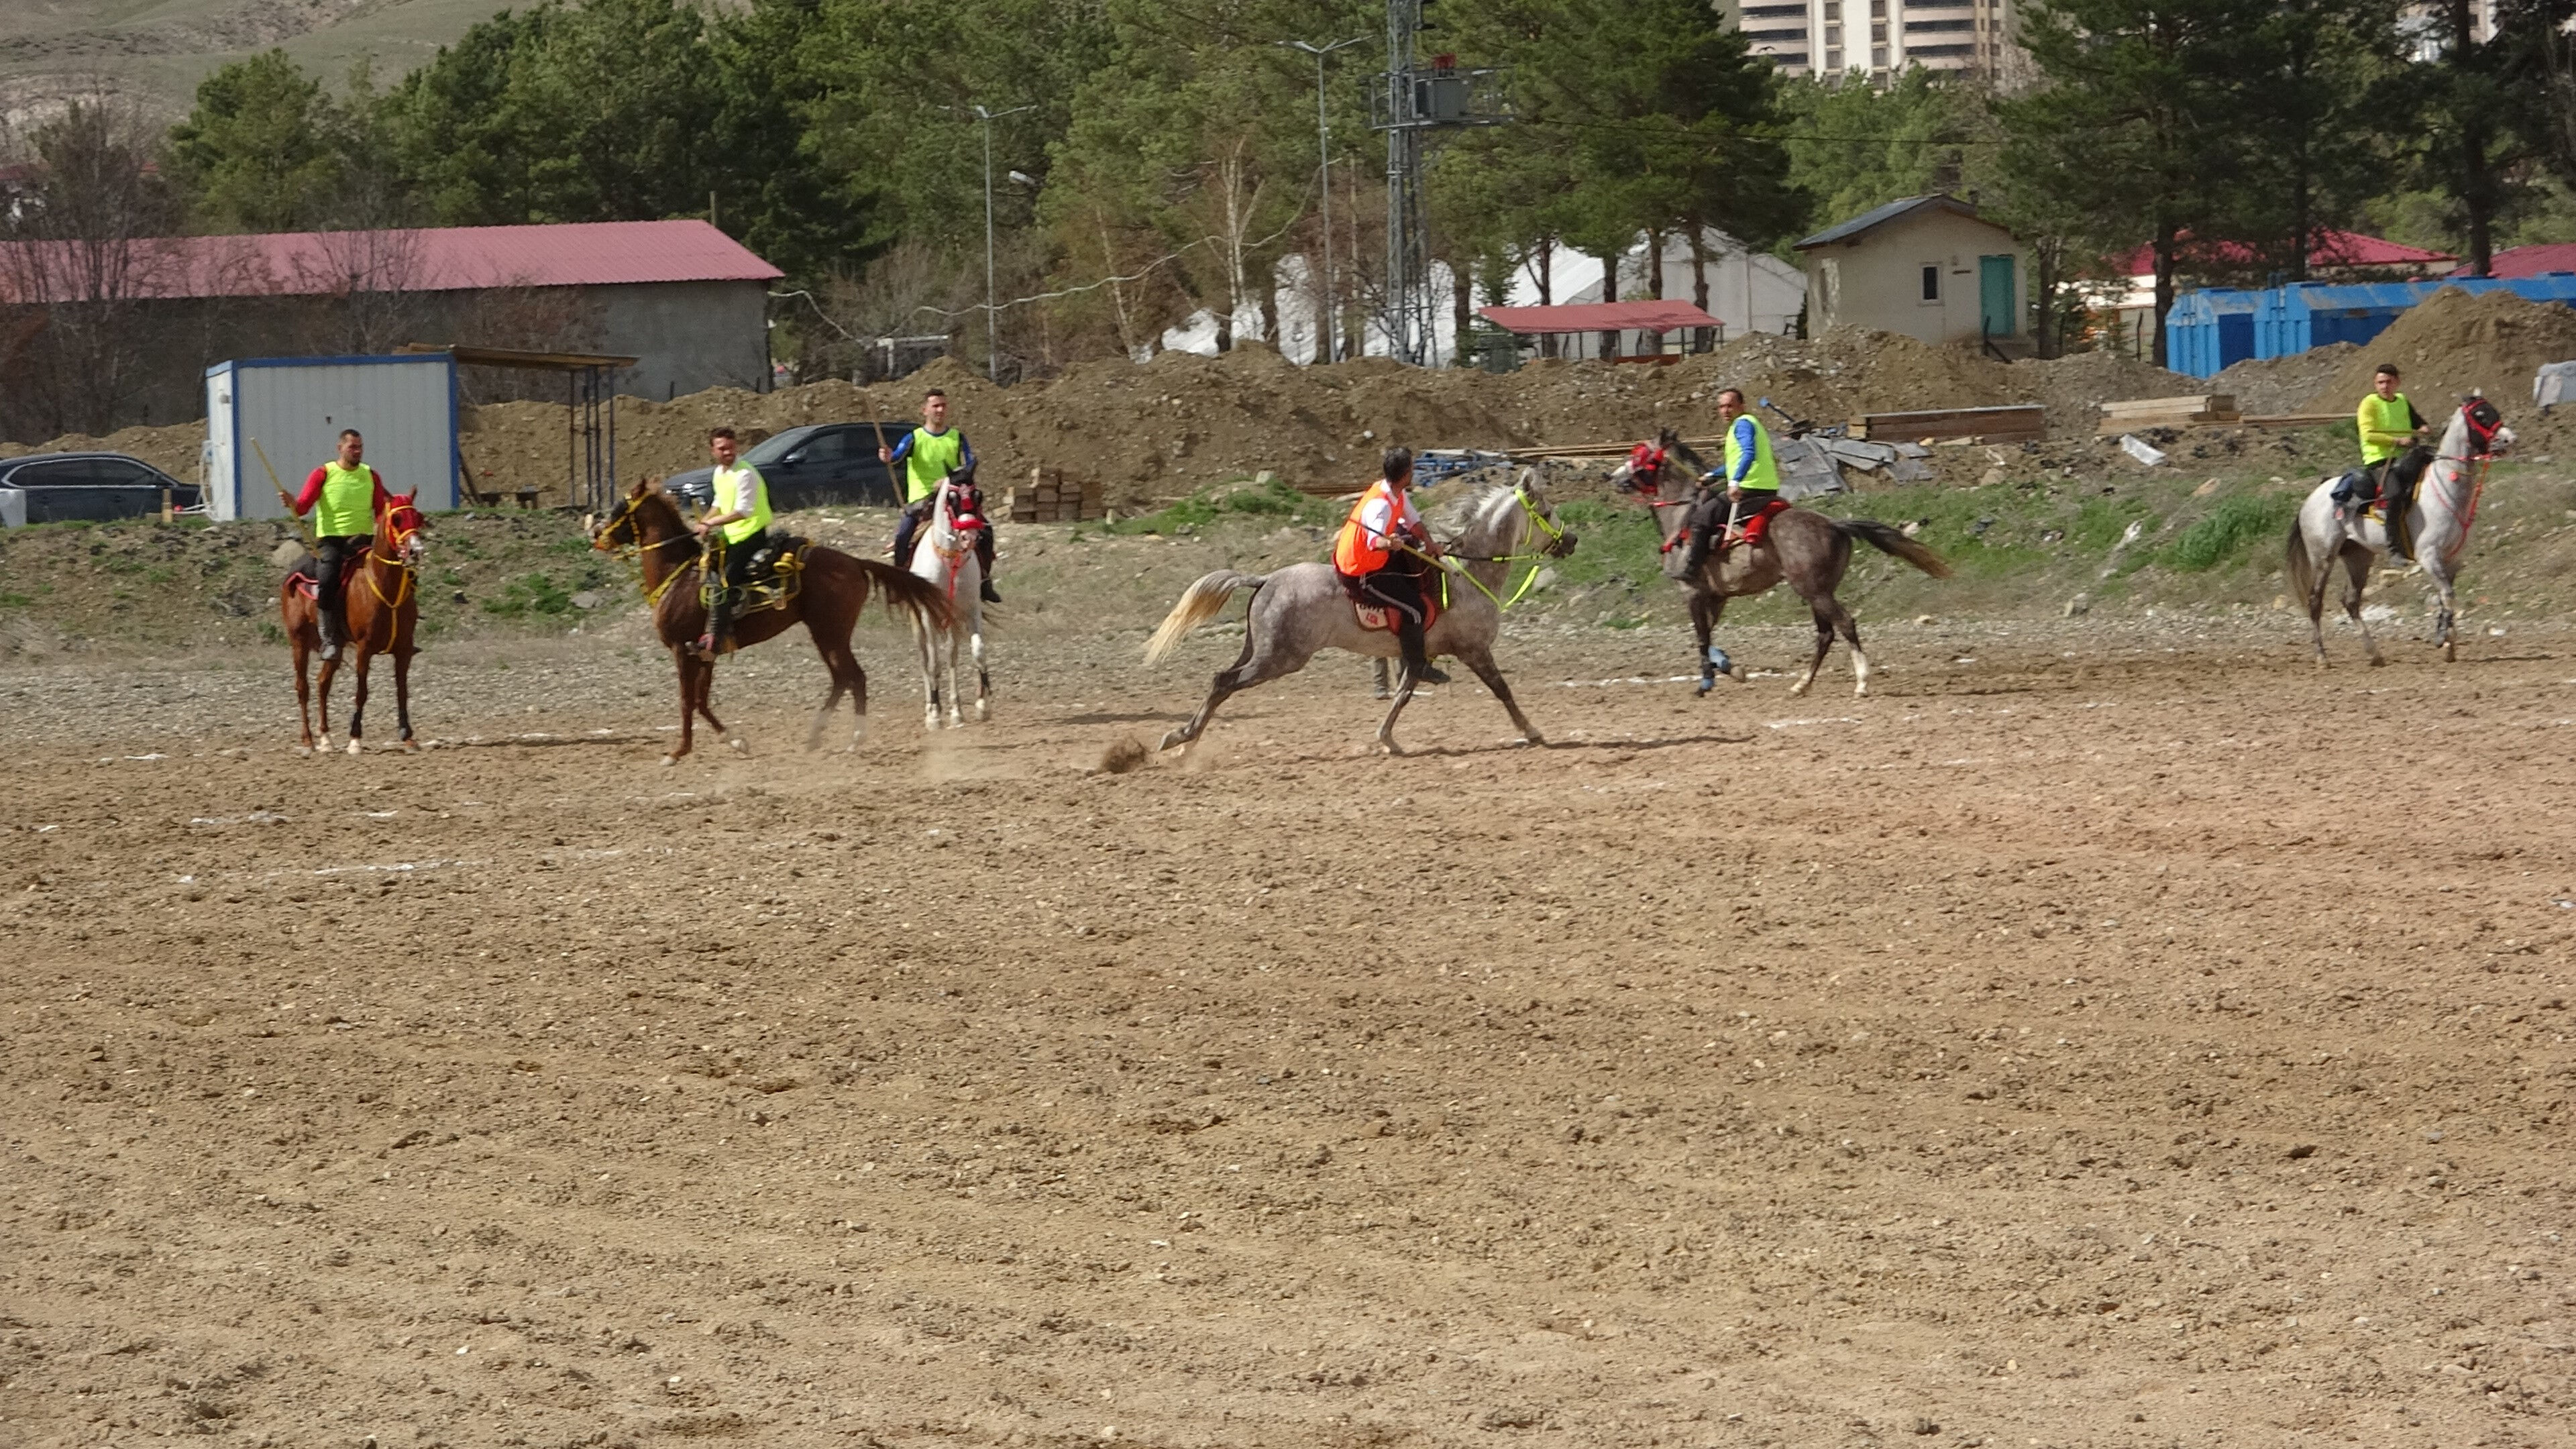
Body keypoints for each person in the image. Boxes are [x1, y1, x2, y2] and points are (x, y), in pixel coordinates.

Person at [1334, 445, 1449, 687]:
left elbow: (1413, 521)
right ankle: (1418, 665)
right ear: (1406, 475)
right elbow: (1374, 542)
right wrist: (1391, 542)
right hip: (1361, 569)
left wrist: (1429, 543)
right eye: (1412, 468)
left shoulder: (1395, 493)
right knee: (1415, 608)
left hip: (1376, 558)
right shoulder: (1381, 505)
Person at [882, 388, 1000, 602]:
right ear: (924, 410)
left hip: (952, 498)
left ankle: (984, 581)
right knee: (903, 536)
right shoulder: (914, 438)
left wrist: (951, 481)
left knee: (987, 531)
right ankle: (900, 585)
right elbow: (896, 457)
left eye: (943, 406)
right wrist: (888, 456)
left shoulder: (957, 437)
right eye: (935, 406)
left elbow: (968, 465)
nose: (940, 410)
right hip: (922, 500)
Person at [289, 428, 391, 661]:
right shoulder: (323, 474)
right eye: (352, 447)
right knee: (327, 580)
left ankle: (400, 633)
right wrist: (292, 502)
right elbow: (303, 507)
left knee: (397, 573)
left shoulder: (371, 475)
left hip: (363, 541)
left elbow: (379, 512)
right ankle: (329, 638)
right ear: (340, 448)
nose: (357, 451)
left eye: (360, 447)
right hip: (332, 542)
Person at [1676, 388, 1782, 580]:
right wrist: (1712, 475)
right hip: (1763, 485)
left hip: (1750, 487)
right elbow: (1734, 463)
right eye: (1721, 407)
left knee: (1700, 518)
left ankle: (1693, 571)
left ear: (1742, 406)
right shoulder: (1746, 424)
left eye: (1730, 406)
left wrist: (1735, 482)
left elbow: (1748, 454)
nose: (1725, 411)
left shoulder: (1742, 424)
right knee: (1710, 498)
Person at [692, 425, 771, 659]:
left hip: (751, 535)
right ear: (712, 450)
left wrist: (711, 523)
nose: (728, 452)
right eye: (722, 449)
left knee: (725, 581)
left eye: (731, 447)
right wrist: (703, 522)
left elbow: (743, 512)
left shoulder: (745, 474)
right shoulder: (720, 473)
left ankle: (715, 639)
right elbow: (719, 501)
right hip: (731, 535)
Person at [2357, 362, 2431, 560]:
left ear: (2397, 382)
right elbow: (2368, 434)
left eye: (2389, 382)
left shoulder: (2402, 401)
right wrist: (2398, 440)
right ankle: (2394, 549)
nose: (2384, 386)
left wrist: (2423, 427)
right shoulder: (2369, 404)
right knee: (2395, 494)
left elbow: (2418, 421)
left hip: (2406, 455)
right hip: (2380, 460)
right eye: (2380, 382)